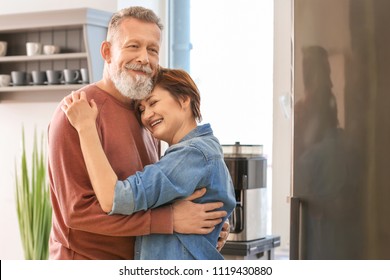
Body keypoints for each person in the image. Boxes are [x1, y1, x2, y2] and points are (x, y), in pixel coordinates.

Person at [48, 6, 229, 260]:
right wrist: (171, 220)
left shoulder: (147, 118)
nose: (144, 58)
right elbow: (78, 213)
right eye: (133, 46)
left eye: (152, 49)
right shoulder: (77, 114)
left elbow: (153, 194)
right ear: (107, 52)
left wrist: (204, 225)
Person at [62, 68, 236, 260]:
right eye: (142, 109)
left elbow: (114, 198)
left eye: (153, 102)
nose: (146, 115)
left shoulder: (192, 154)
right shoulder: (203, 150)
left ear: (185, 99)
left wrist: (86, 126)